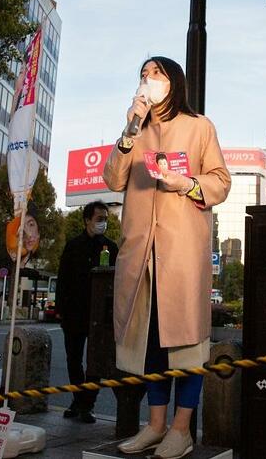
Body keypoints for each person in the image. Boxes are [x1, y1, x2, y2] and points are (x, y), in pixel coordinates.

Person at [104, 56, 231, 459]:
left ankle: (181, 429)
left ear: (174, 80)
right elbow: (112, 179)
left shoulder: (199, 126)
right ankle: (155, 425)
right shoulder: (135, 131)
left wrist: (186, 183)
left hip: (180, 252)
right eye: (143, 74)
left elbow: (221, 181)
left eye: (155, 73)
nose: (148, 80)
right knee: (150, 343)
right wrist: (129, 128)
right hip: (141, 251)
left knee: (186, 343)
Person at [55, 200, 118, 423]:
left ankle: (88, 403)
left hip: (100, 316)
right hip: (74, 313)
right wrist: (60, 309)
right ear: (87, 220)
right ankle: (77, 400)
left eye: (105, 219)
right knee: (73, 359)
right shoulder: (73, 246)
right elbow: (62, 279)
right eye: (99, 219)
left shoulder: (111, 247)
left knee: (95, 362)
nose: (103, 223)